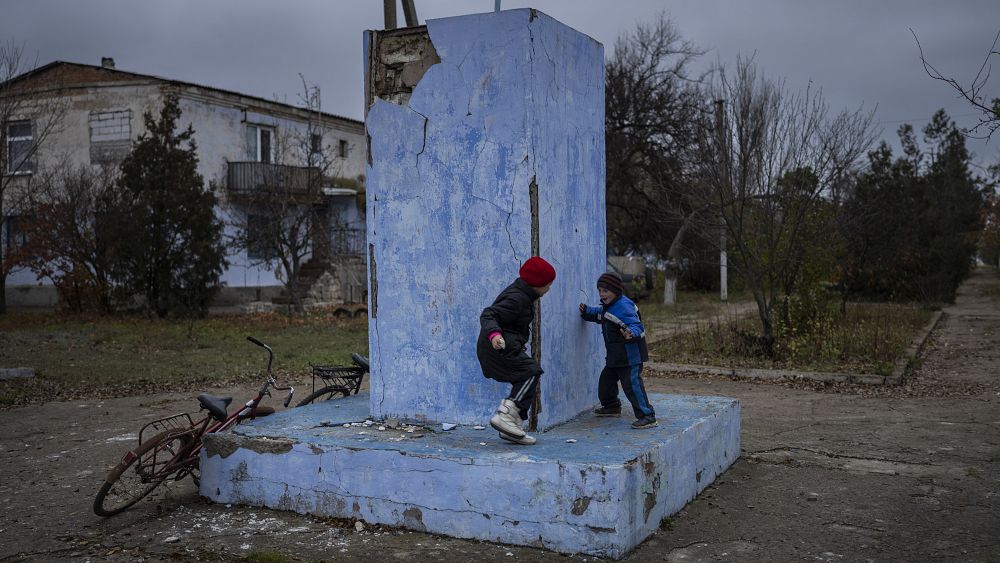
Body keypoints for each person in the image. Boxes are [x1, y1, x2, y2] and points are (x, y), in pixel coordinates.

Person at [477, 256, 556, 445]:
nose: (549, 289)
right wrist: (495, 335)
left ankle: (511, 426)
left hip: (506, 346)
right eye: (548, 284)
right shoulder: (517, 298)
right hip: (496, 348)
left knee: (526, 376)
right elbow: (489, 314)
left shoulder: (523, 294)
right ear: (537, 284)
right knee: (531, 372)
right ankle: (506, 415)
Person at [579, 271, 656, 429]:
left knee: (632, 386)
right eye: (600, 290)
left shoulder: (623, 307)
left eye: (605, 291)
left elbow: (637, 327)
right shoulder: (610, 307)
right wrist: (586, 311)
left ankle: (647, 416)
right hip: (616, 356)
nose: (602, 294)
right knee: (606, 383)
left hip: (630, 357)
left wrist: (631, 333)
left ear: (616, 290)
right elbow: (600, 314)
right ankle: (612, 406)